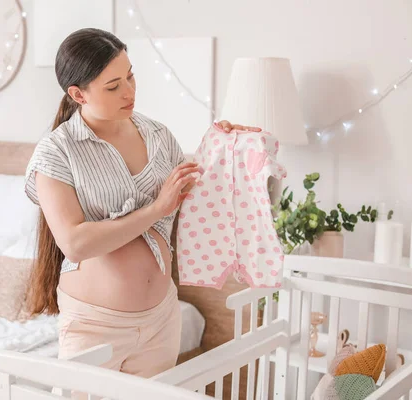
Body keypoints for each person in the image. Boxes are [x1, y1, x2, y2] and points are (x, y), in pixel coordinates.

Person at [24, 28, 260, 378]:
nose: (129, 91)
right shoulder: (56, 152)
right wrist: (154, 210)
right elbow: (74, 244)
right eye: (113, 85)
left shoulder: (159, 135)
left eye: (130, 76)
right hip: (95, 326)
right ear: (78, 94)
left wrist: (222, 148)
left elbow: (191, 198)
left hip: (160, 320)